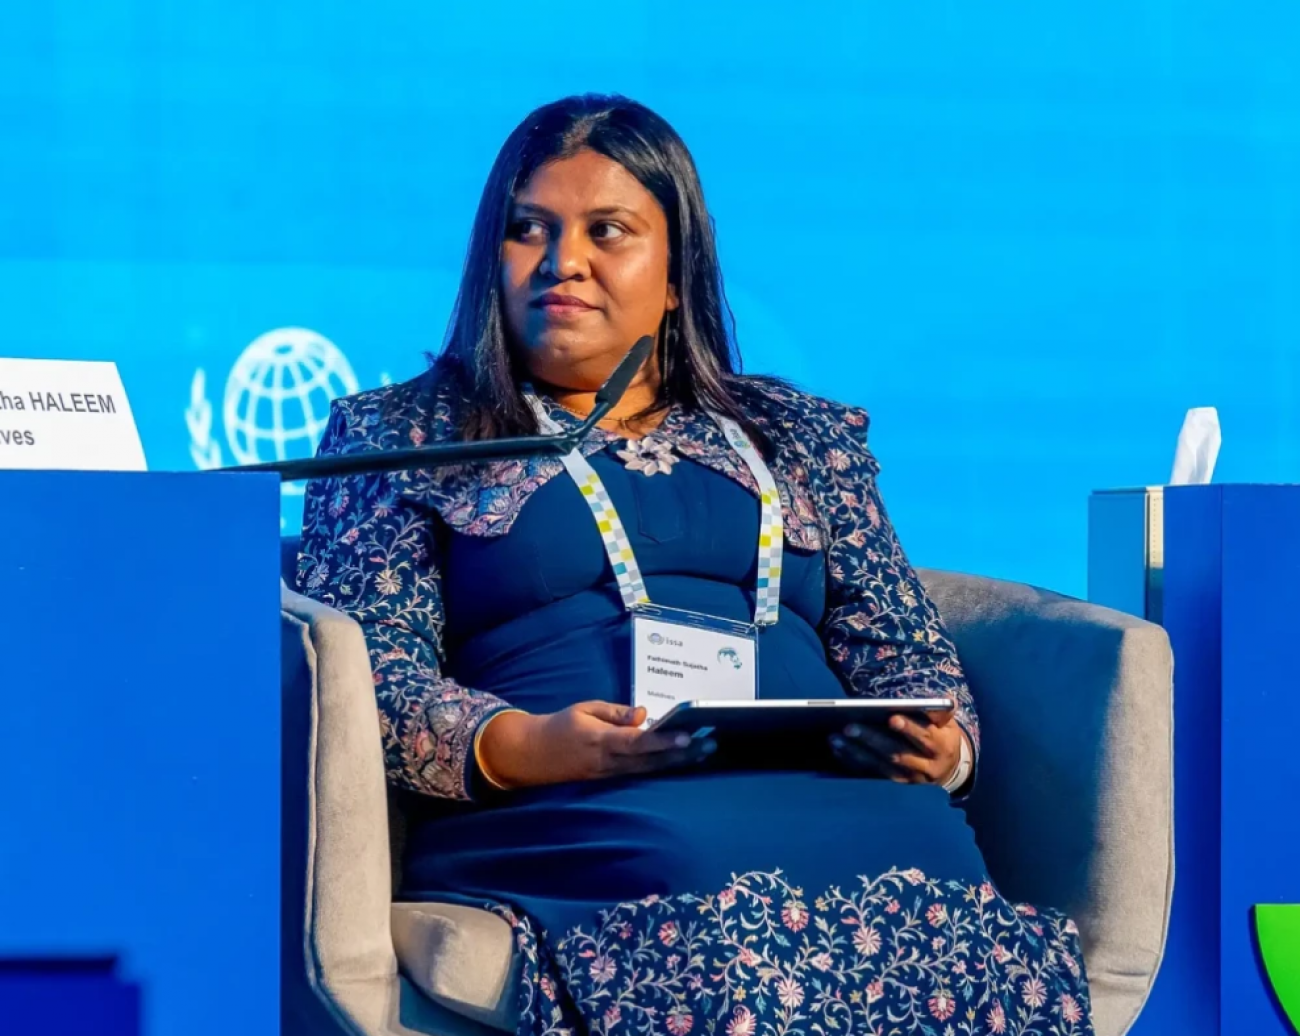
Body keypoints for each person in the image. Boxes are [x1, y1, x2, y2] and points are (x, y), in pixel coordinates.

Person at [297, 94, 1092, 1036]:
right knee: (701, 891)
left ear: (677, 273)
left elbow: (905, 647)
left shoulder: (798, 434)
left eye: (607, 231)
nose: (562, 261)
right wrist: (529, 745)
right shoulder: (402, 436)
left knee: (937, 867)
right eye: (528, 229)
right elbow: (366, 677)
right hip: (581, 805)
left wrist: (940, 744)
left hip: (830, 788)